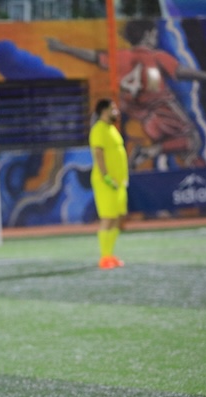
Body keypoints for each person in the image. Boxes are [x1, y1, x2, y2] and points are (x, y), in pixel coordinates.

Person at [47, 20, 206, 169]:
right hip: (162, 108)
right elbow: (182, 72)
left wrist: (63, 47)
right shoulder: (156, 56)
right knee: (192, 139)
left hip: (142, 117)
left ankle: (189, 172)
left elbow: (93, 56)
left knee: (180, 147)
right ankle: (148, 152)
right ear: (147, 35)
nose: (155, 38)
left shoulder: (120, 56)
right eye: (154, 34)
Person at [89, 98, 129, 270]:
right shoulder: (98, 129)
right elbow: (98, 153)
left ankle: (110, 254)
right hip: (106, 182)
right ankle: (104, 257)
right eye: (113, 109)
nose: (116, 111)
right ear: (104, 111)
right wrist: (106, 176)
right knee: (108, 217)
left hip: (119, 183)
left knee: (117, 217)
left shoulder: (111, 129)